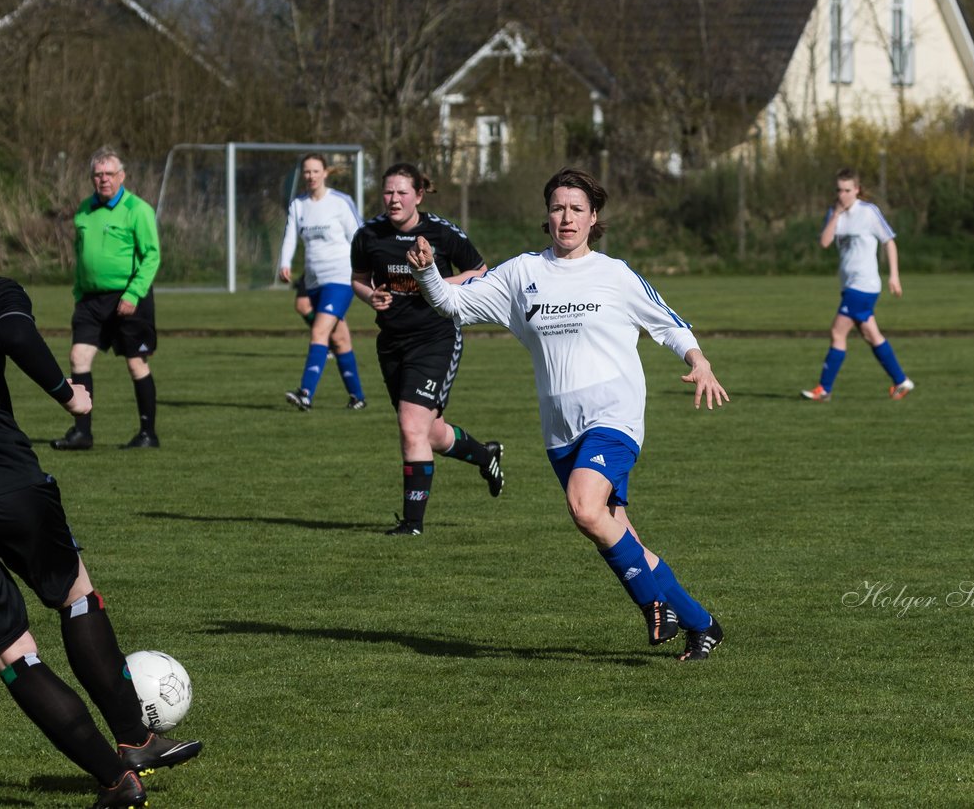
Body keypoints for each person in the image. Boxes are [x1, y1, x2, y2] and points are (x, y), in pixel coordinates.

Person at [405, 167, 729, 661]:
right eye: (558, 207)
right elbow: (451, 303)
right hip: (560, 431)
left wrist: (699, 361)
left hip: (614, 416)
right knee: (613, 527)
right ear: (546, 215)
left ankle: (652, 605)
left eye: (577, 208)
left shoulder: (614, 274)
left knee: (583, 506)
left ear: (594, 217)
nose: (567, 217)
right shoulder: (521, 274)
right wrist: (427, 269)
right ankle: (703, 624)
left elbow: (671, 325)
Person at [0, 191, 201, 808]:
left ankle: (115, 778)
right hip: (12, 483)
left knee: (13, 657)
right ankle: (134, 737)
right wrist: (66, 393)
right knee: (75, 598)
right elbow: (16, 335)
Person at [351, 163, 504, 536]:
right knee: (429, 433)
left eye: (402, 192)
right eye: (388, 192)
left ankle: (412, 524)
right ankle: (487, 455)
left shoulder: (441, 233)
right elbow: (357, 280)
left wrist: (432, 278)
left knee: (410, 425)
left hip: (436, 338)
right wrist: (373, 296)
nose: (394, 200)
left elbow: (481, 272)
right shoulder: (368, 234)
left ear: (418, 195)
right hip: (391, 343)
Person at [51, 146, 162, 451]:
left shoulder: (138, 210)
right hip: (90, 300)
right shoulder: (84, 209)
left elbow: (151, 256)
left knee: (136, 363)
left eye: (109, 174)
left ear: (121, 176)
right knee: (78, 357)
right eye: (98, 175)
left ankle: (147, 434)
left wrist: (134, 292)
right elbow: (80, 255)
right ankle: (82, 432)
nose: (103, 180)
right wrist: (78, 291)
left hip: (128, 296)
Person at [802, 167, 915, 402]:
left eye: (847, 190)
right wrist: (835, 215)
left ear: (857, 190)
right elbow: (824, 243)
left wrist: (894, 276)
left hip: (864, 285)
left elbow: (889, 241)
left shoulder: (869, 212)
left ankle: (824, 389)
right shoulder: (835, 213)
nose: (842, 195)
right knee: (871, 335)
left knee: (837, 332)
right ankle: (901, 381)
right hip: (849, 285)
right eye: (838, 190)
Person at [278, 153, 367, 411]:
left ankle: (305, 393)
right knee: (340, 340)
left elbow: (359, 236)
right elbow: (290, 236)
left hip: (340, 277)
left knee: (319, 331)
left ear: (325, 173)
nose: (311, 176)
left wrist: (367, 268)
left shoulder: (340, 202)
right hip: (314, 279)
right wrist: (285, 262)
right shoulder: (298, 204)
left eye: (316, 171)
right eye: (306, 172)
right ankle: (357, 397)